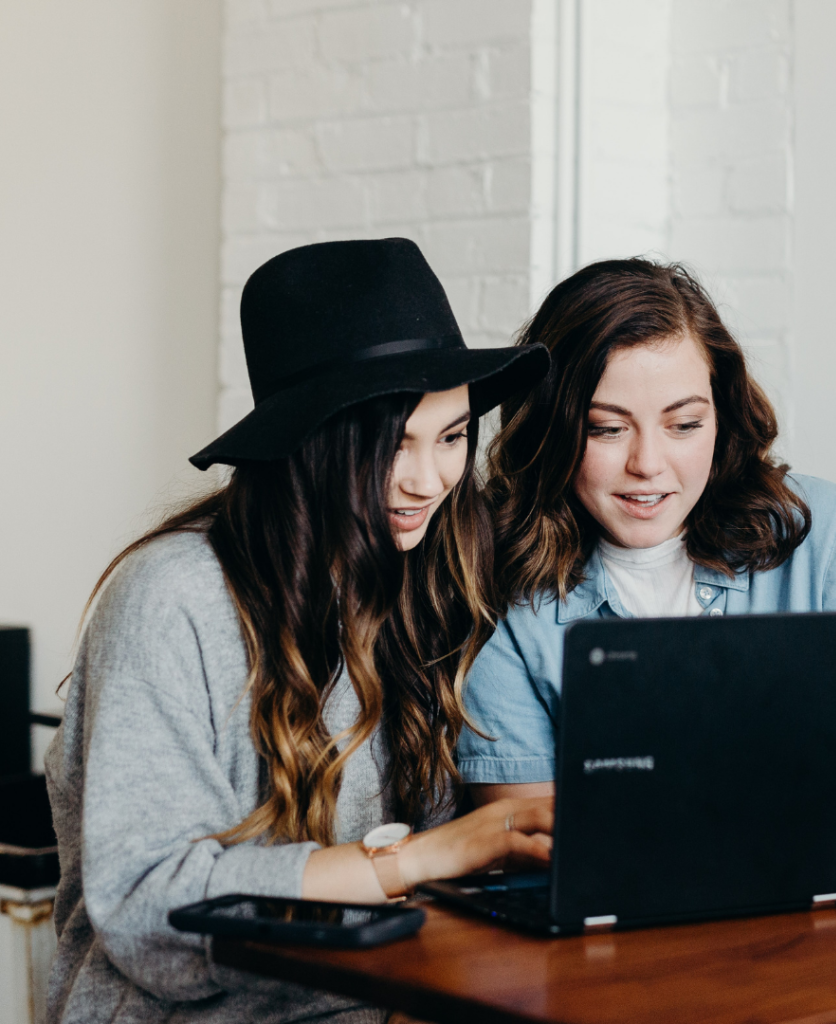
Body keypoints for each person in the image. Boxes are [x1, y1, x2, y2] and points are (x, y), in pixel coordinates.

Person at [44, 239, 553, 1024]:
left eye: (452, 437)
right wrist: (415, 859)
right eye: (391, 445)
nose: (428, 480)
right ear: (311, 441)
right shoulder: (173, 599)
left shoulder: (427, 578)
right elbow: (150, 911)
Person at [458, 257, 836, 829]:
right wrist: (786, 781)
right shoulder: (495, 576)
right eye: (607, 428)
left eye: (684, 425)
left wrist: (669, 802)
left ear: (722, 416)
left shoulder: (821, 530)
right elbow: (521, 828)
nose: (647, 464)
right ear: (552, 428)